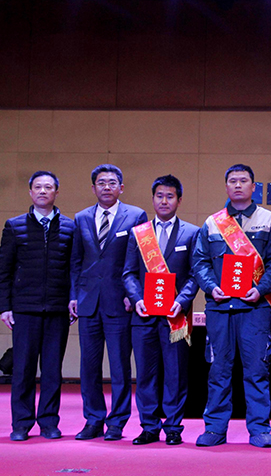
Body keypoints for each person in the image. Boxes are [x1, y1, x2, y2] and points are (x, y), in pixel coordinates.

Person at [192, 164, 271, 448]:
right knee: (219, 369)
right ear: (226, 186)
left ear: (253, 187)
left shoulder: (269, 220)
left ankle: (259, 429)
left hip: (255, 308)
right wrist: (211, 287)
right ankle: (214, 429)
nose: (238, 185)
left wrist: (261, 290)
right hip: (220, 307)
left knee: (257, 370)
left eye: (244, 181)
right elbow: (200, 262)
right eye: (233, 181)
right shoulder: (212, 222)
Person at [70, 164, 148, 441]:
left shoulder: (136, 215)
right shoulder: (81, 218)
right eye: (101, 183)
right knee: (89, 367)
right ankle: (93, 420)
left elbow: (141, 260)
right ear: (93, 188)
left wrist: (134, 294)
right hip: (88, 302)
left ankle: (117, 422)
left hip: (120, 302)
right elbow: (75, 261)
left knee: (119, 367)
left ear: (121, 188)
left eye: (112, 182)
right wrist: (73, 295)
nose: (106, 187)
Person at [123, 175, 199, 446]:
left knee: (175, 374)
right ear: (153, 198)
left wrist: (183, 300)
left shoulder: (192, 233)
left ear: (179, 200)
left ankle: (174, 427)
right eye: (159, 196)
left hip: (175, 317)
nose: (164, 201)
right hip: (143, 315)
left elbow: (195, 274)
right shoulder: (139, 233)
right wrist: (136, 298)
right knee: (145, 373)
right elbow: (129, 273)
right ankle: (149, 426)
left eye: (170, 196)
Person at [0, 171, 74, 441]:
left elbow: (74, 269)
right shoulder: (14, 225)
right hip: (24, 309)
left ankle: (49, 422)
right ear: (30, 192)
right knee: (23, 369)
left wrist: (72, 299)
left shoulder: (70, 227)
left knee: (52, 370)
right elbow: (4, 270)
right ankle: (21, 424)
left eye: (48, 187)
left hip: (57, 309)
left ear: (56, 192)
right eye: (38, 187)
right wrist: (4, 306)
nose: (43, 191)